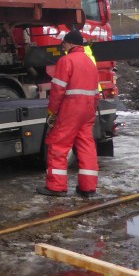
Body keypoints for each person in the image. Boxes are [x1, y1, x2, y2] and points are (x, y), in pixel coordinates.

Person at [38, 29, 100, 199]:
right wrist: (92, 109)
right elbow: (96, 92)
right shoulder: (90, 62)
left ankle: (56, 186)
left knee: (58, 145)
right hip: (87, 111)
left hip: (70, 110)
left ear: (71, 43)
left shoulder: (66, 61)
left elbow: (58, 90)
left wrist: (52, 111)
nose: (63, 46)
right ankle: (88, 187)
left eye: (64, 43)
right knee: (86, 147)